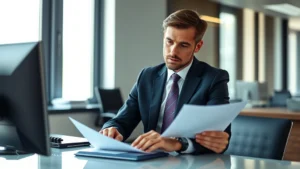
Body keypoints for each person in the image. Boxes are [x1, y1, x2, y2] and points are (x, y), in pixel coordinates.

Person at [100, 9, 230, 154]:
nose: (173, 52)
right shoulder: (147, 76)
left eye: (183, 45)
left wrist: (177, 143)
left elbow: (219, 138)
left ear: (197, 46)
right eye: (169, 42)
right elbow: (122, 120)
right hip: (150, 161)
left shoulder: (214, 79)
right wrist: (112, 129)